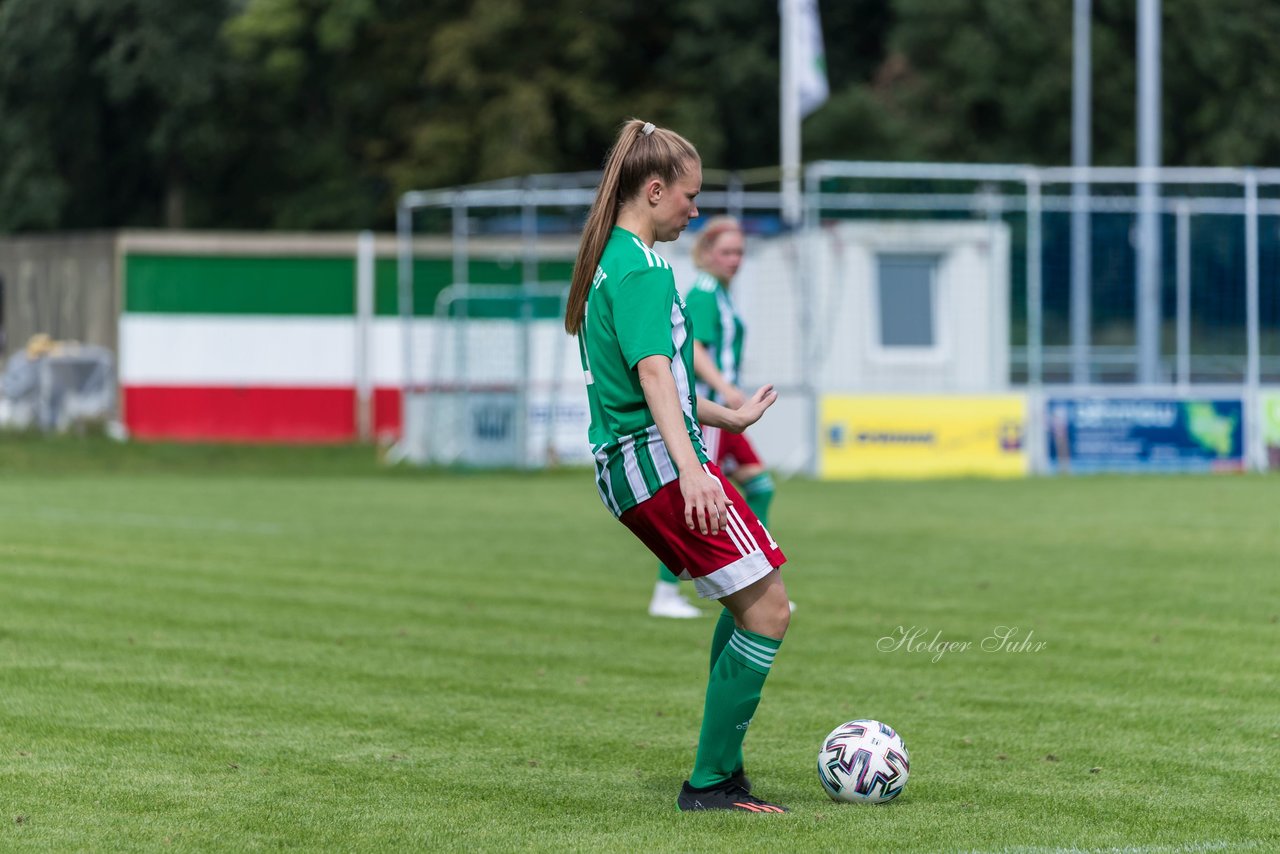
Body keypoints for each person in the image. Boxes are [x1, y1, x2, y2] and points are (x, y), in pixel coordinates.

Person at [565, 118, 793, 813]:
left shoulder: (613, 256)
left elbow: (647, 384)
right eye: (690, 198)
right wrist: (695, 466)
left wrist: (726, 418)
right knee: (769, 611)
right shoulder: (639, 266)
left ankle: (721, 770)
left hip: (641, 461)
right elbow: (656, 375)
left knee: (756, 599)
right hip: (656, 465)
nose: (696, 211)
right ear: (655, 189)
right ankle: (712, 781)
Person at [648, 216, 783, 619]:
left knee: (759, 485)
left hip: (722, 412)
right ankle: (669, 590)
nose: (735, 260)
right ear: (706, 253)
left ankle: (756, 580)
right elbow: (697, 352)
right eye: (726, 252)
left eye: (740, 252)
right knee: (703, 497)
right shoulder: (705, 293)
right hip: (706, 410)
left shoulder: (720, 293)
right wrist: (724, 388)